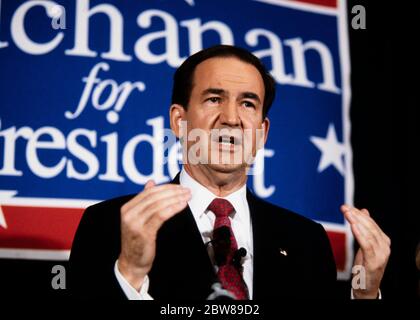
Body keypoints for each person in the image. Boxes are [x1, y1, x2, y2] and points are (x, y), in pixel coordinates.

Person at [68, 45, 390, 300]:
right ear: (179, 121)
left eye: (248, 104)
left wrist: (364, 294)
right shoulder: (108, 226)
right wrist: (131, 273)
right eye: (214, 98)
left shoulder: (307, 242)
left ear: (262, 133)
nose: (231, 118)